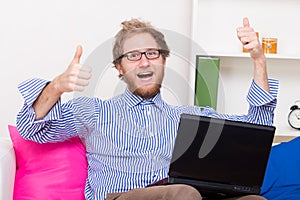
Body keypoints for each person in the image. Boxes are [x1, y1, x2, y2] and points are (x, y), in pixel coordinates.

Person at [16, 17, 278, 200]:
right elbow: (31, 129)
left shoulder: (188, 117)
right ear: (119, 67)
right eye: (133, 55)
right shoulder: (93, 111)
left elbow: (258, 129)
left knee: (253, 199)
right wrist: (56, 87)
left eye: (152, 53)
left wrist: (258, 60)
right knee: (184, 193)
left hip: (182, 195)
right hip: (122, 196)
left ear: (164, 60)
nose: (144, 62)